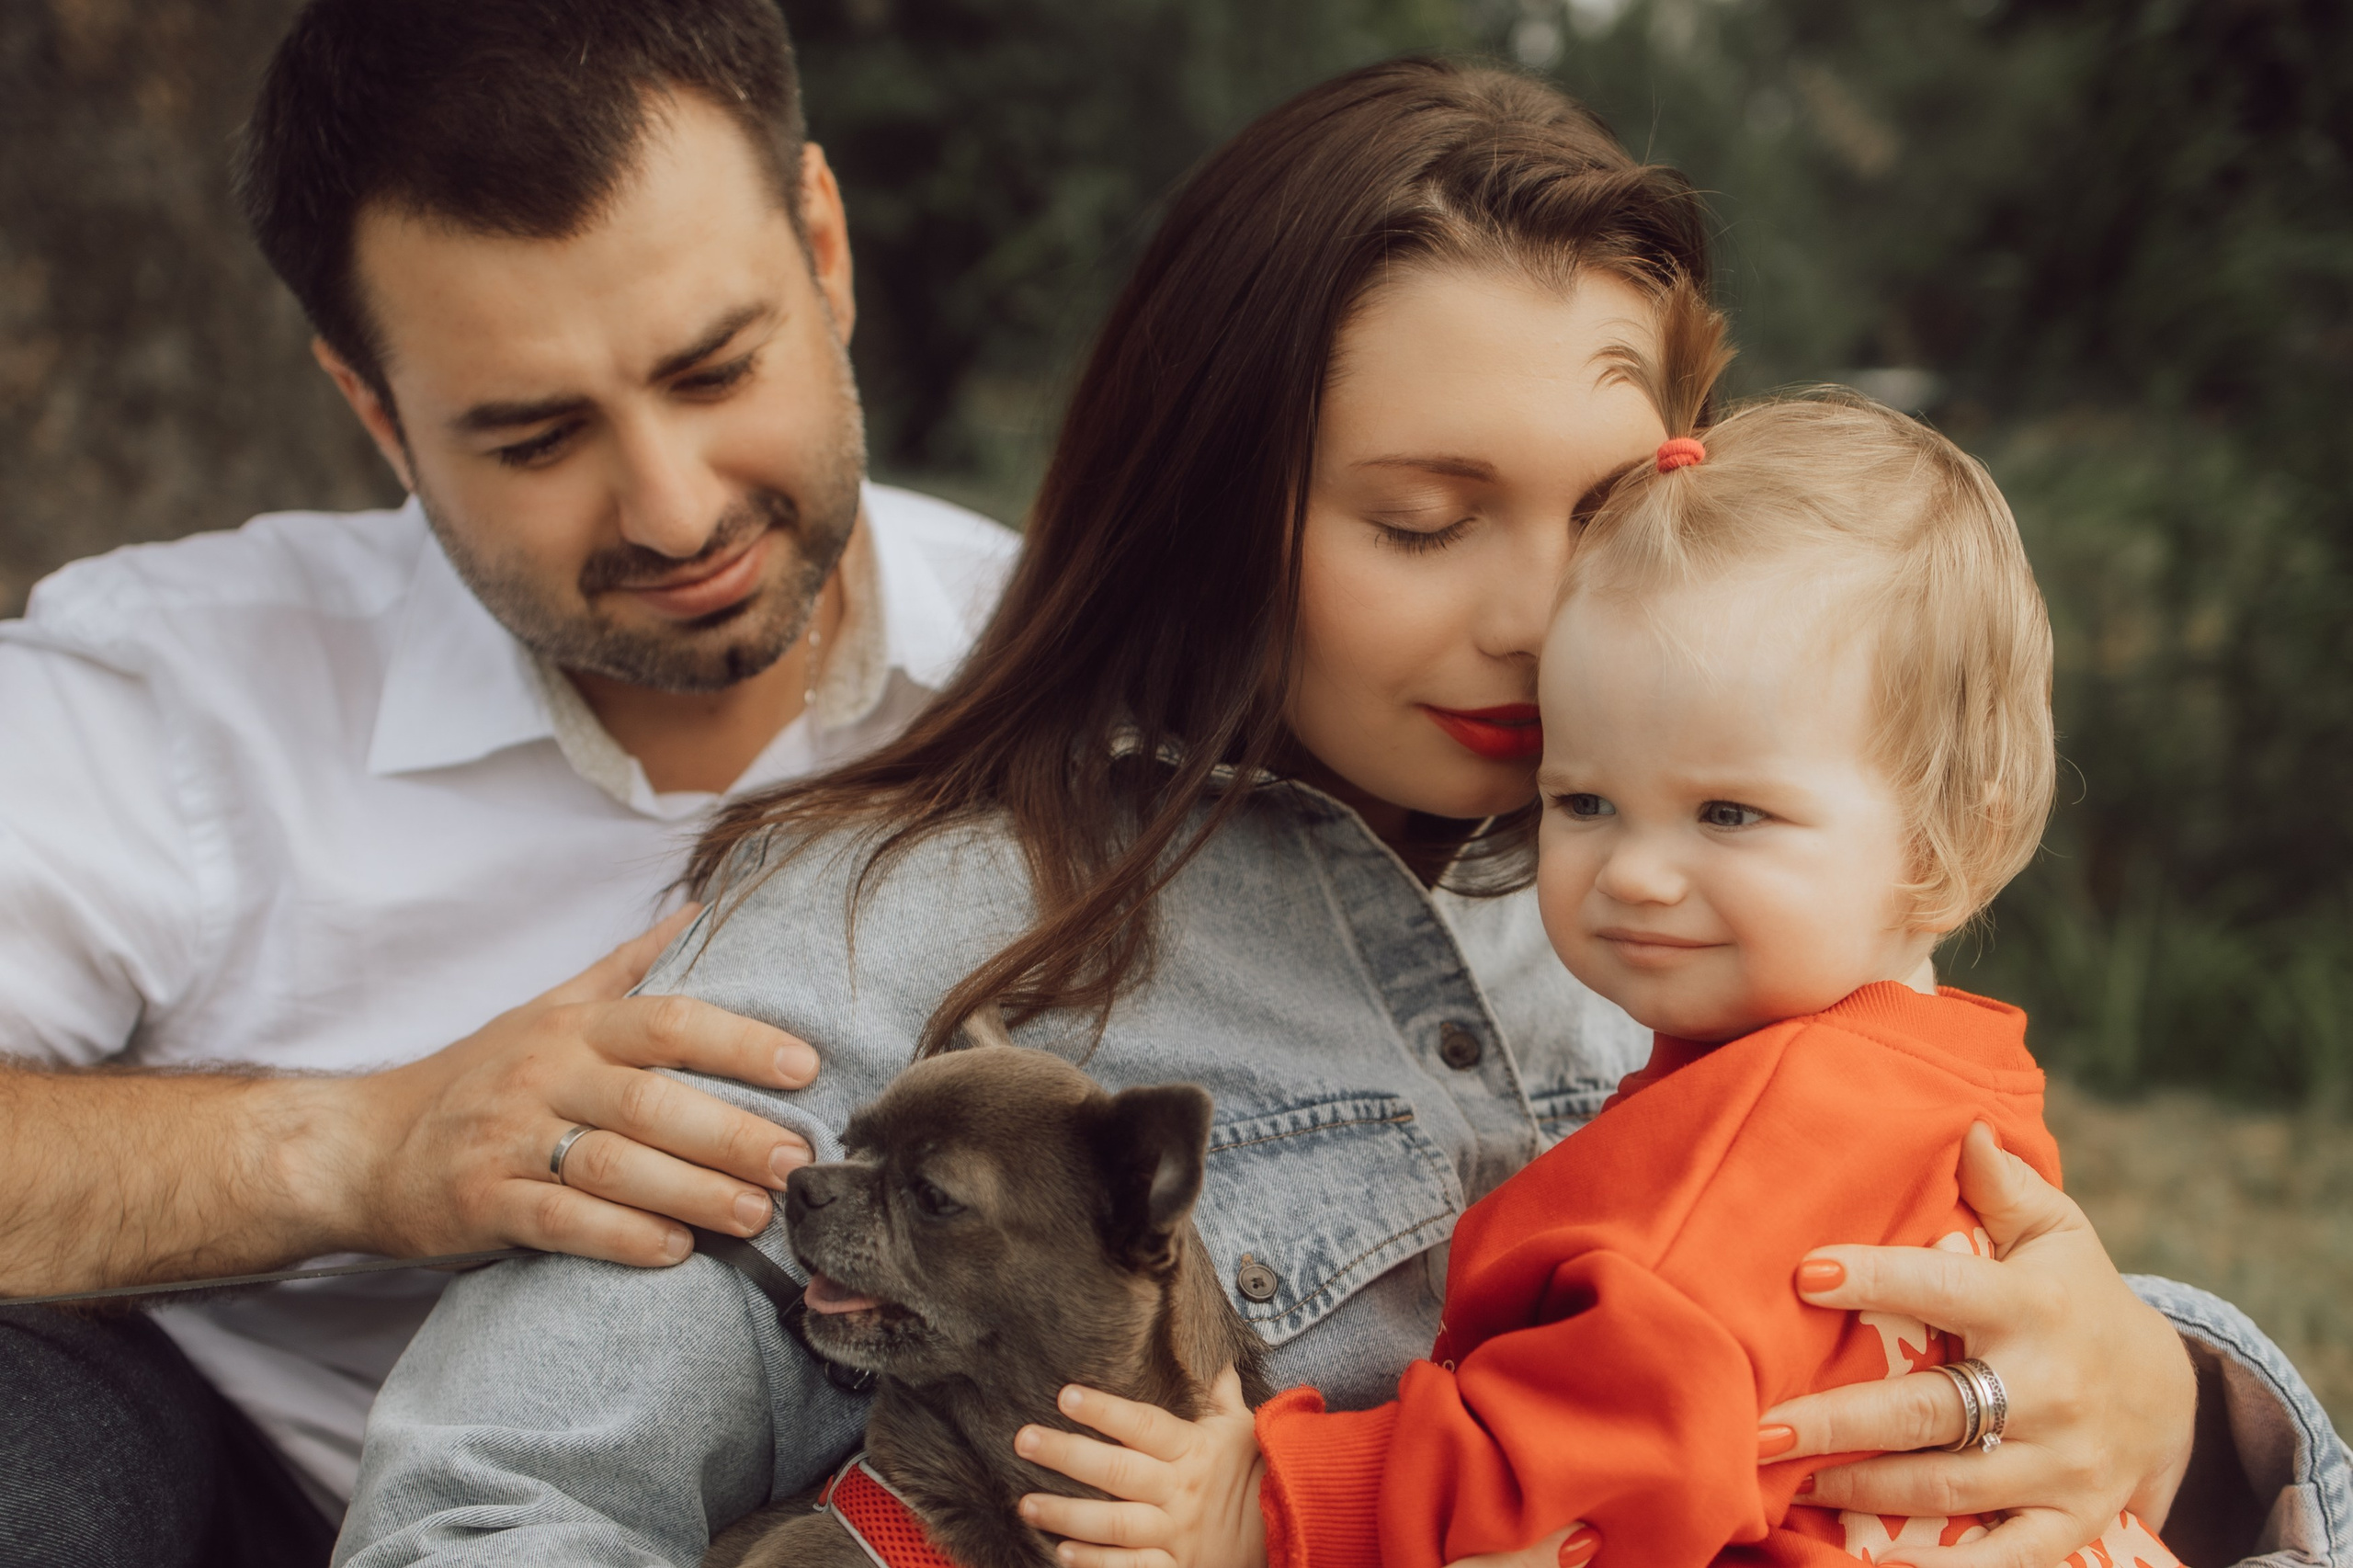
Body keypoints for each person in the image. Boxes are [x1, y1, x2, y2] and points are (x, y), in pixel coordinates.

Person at [338, 59, 2345, 1568]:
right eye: (1417, 517)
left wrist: (2165, 1397)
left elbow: (1923, 1305)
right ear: (1216, 499)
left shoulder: (1670, 881)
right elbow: (488, 1504)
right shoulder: (896, 935)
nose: (1535, 609)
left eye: (1602, 512)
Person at [0, 0, 1015, 1560]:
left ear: (823, 243)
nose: (675, 513)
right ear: (375, 412)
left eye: (716, 367)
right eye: (537, 439)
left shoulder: (1076, 684)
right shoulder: (178, 694)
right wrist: (353, 1151)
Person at [1006, 377, 2191, 1568]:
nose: (1634, 872)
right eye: (1582, 800)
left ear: (1942, 845)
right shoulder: (1959, 1076)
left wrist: (1274, 1503)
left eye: (1728, 811)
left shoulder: (1751, 1133)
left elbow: (1606, 1442)